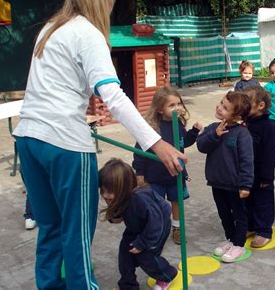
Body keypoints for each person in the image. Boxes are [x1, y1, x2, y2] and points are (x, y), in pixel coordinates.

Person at [13, 0, 186, 289]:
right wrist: (156, 143)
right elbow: (113, 97)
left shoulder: (49, 28)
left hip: (28, 139)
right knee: (76, 233)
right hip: (64, 145)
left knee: (50, 227)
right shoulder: (88, 34)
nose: (111, 6)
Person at [133, 87, 202, 245]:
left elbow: (184, 142)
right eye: (172, 105)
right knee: (156, 205)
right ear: (159, 109)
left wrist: (194, 132)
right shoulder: (151, 129)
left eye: (179, 104)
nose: (178, 108)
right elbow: (139, 151)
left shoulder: (178, 124)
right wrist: (140, 173)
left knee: (176, 202)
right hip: (154, 177)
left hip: (175, 175)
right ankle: (156, 229)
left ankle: (177, 228)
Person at [99, 158, 177, 290]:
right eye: (103, 190)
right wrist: (115, 217)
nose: (105, 195)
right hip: (136, 226)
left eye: (109, 191)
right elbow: (119, 212)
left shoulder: (140, 198)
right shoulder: (120, 196)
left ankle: (167, 275)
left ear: (124, 188)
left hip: (157, 227)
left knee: (145, 256)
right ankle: (128, 285)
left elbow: (155, 222)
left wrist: (142, 243)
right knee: (125, 254)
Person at [196, 91, 254, 263]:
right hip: (216, 182)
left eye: (225, 107)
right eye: (221, 103)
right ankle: (230, 239)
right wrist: (215, 135)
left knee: (239, 214)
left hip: (235, 185)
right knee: (224, 213)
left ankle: (239, 244)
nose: (219, 108)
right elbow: (201, 146)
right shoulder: (213, 128)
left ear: (236, 116)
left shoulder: (242, 134)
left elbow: (247, 161)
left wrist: (245, 185)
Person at [243, 86, 275, 248]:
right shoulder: (245, 123)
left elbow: (270, 154)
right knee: (247, 200)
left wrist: (267, 177)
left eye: (247, 102)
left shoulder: (268, 127)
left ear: (261, 106)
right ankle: (250, 226)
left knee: (262, 201)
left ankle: (264, 231)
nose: (243, 106)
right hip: (246, 173)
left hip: (262, 174)